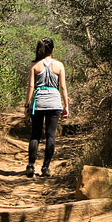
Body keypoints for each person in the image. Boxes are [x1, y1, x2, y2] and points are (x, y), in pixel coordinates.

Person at [24, 37, 69, 178]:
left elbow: (31, 86)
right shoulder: (59, 65)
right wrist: (66, 106)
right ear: (53, 50)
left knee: (35, 134)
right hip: (54, 103)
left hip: (39, 103)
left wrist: (27, 105)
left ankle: (31, 165)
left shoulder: (35, 66)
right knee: (50, 135)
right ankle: (46, 167)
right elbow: (62, 87)